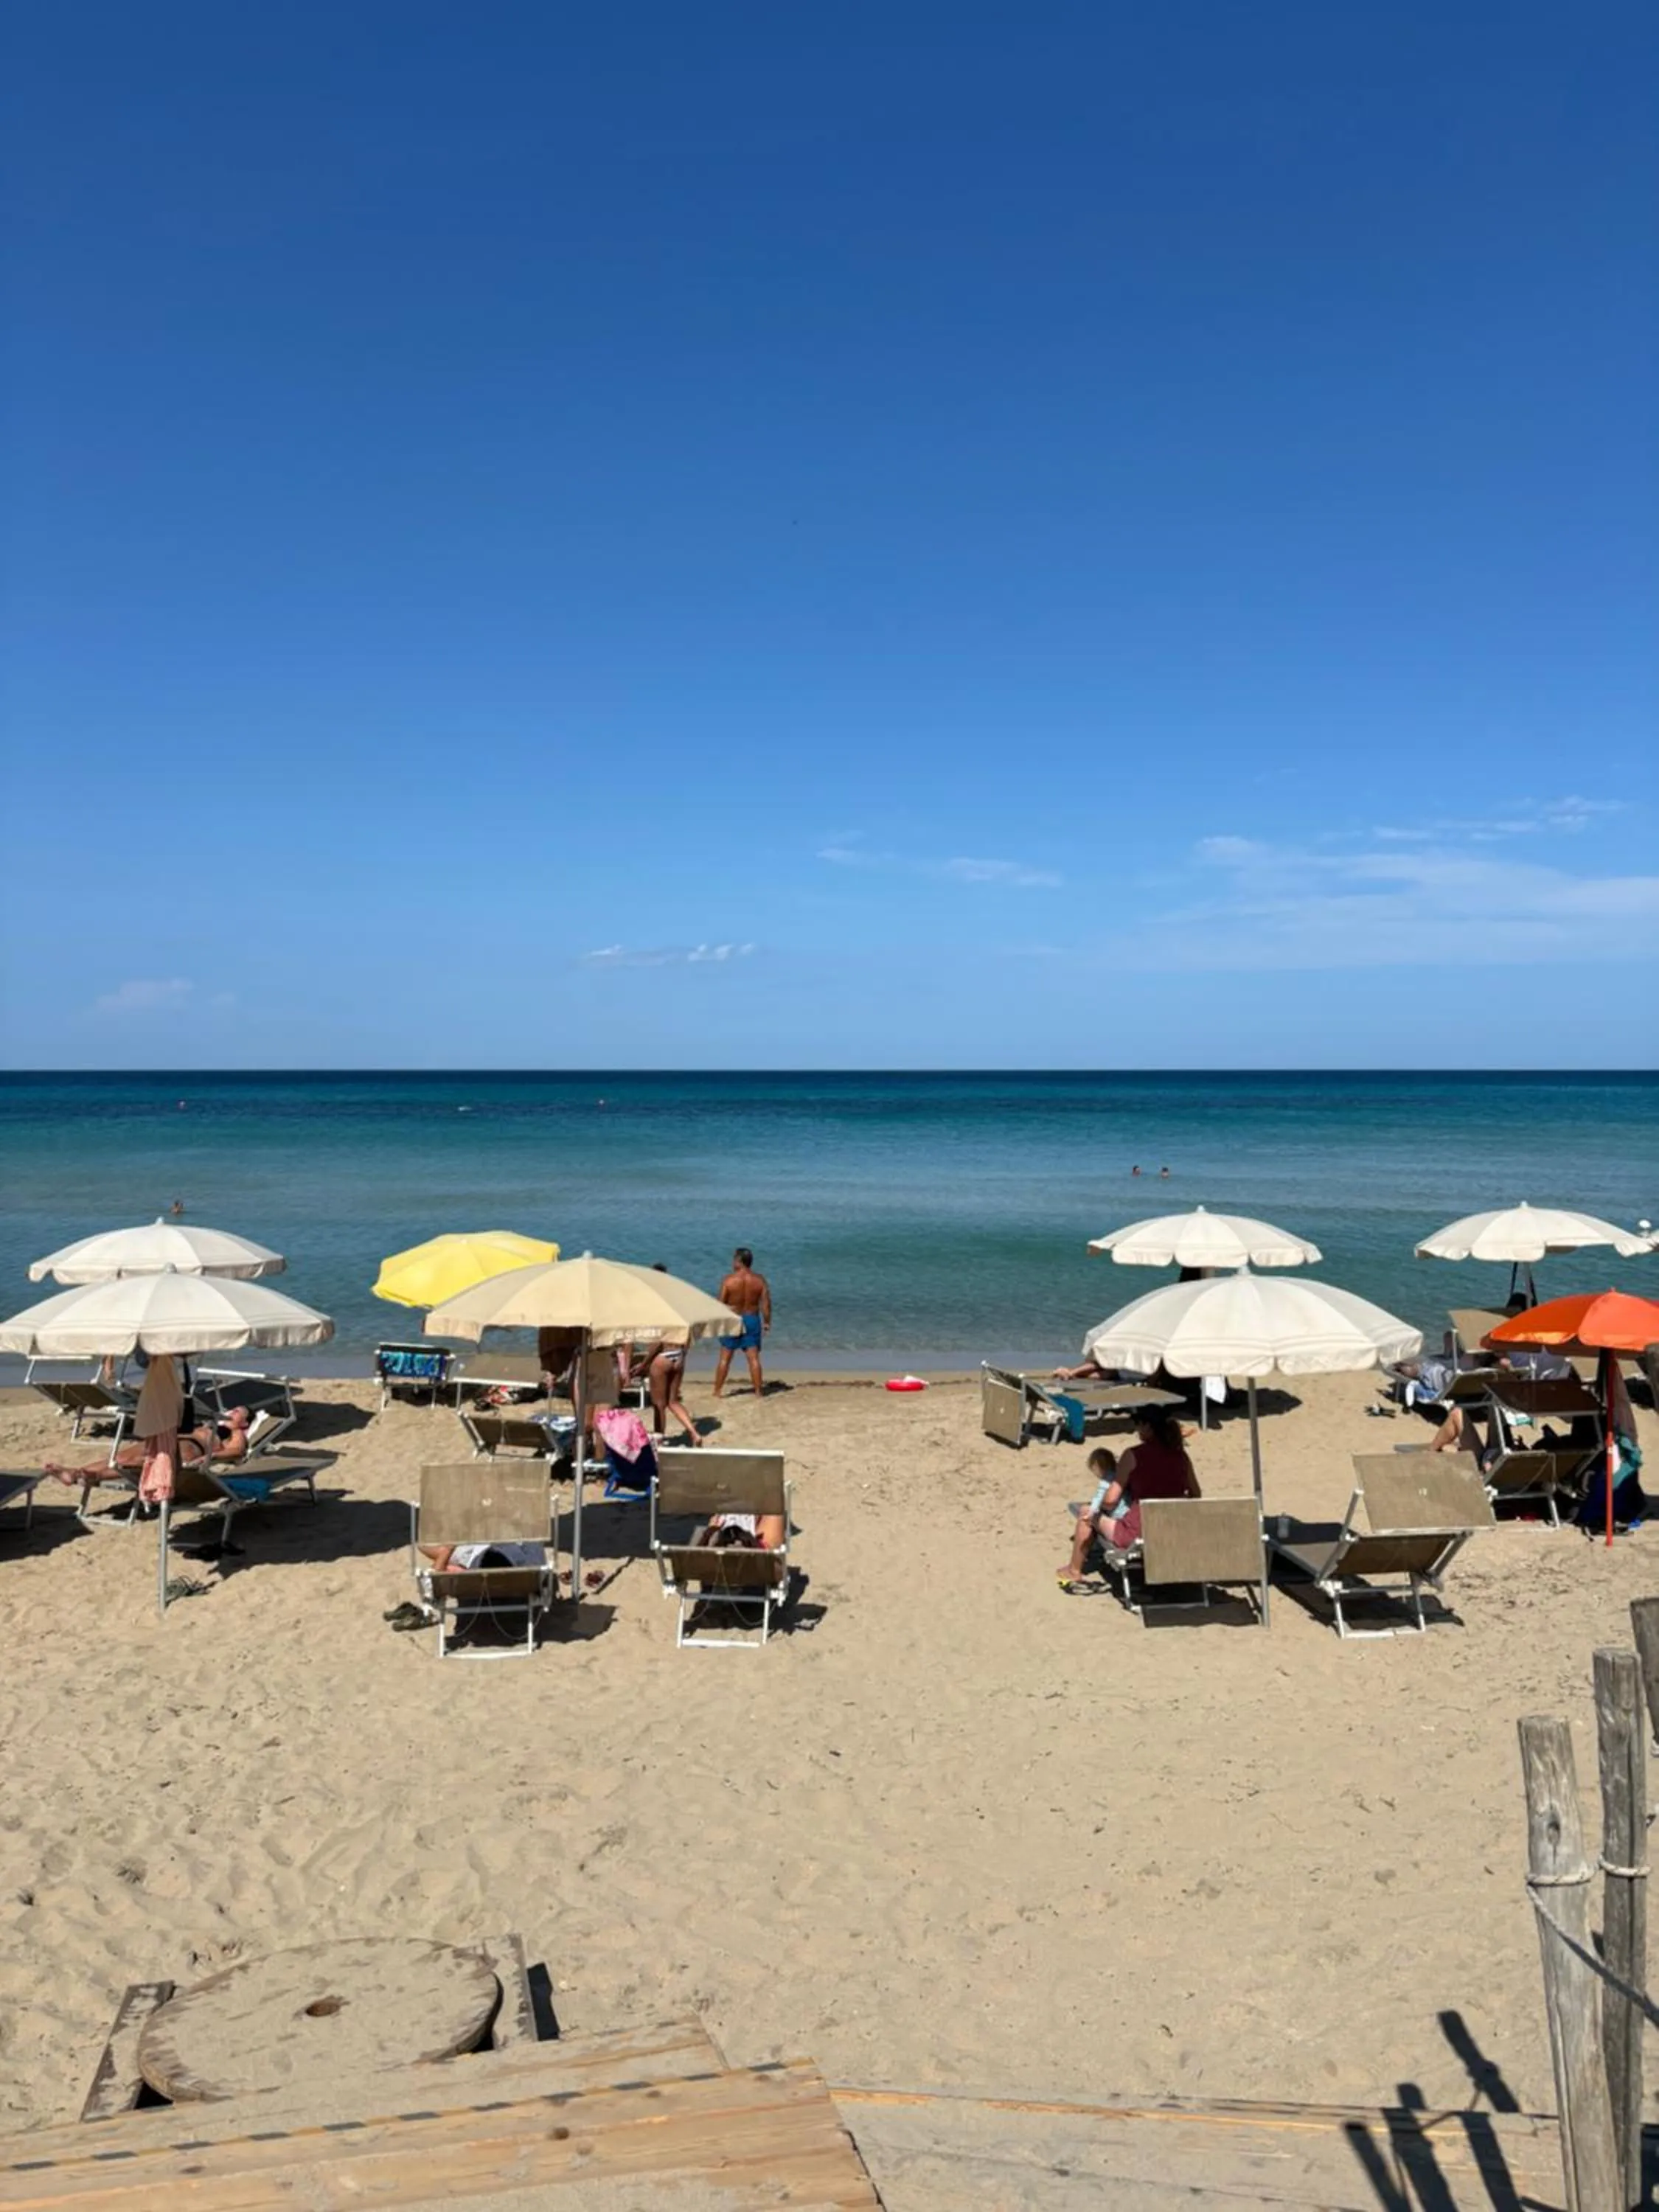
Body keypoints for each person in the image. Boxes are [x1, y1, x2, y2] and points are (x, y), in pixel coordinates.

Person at [1059, 1410, 1199, 1588]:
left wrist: (1096, 1504)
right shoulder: (1181, 1457)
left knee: (1086, 1513)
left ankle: (1074, 1571)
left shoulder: (1133, 1455)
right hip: (1173, 1530)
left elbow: (1110, 1500)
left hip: (1138, 1533)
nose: (1137, 1430)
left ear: (1148, 1427)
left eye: (1139, 1425)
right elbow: (1196, 1494)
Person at [712, 1247, 771, 1399]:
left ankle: (717, 1392)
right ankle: (758, 1392)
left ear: (739, 1261)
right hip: (752, 1319)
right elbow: (766, 1304)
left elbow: (720, 1304)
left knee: (725, 1359)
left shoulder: (729, 1280)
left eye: (734, 1259)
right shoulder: (760, 1281)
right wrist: (766, 1322)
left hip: (733, 1319)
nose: (732, 1262)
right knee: (753, 1359)